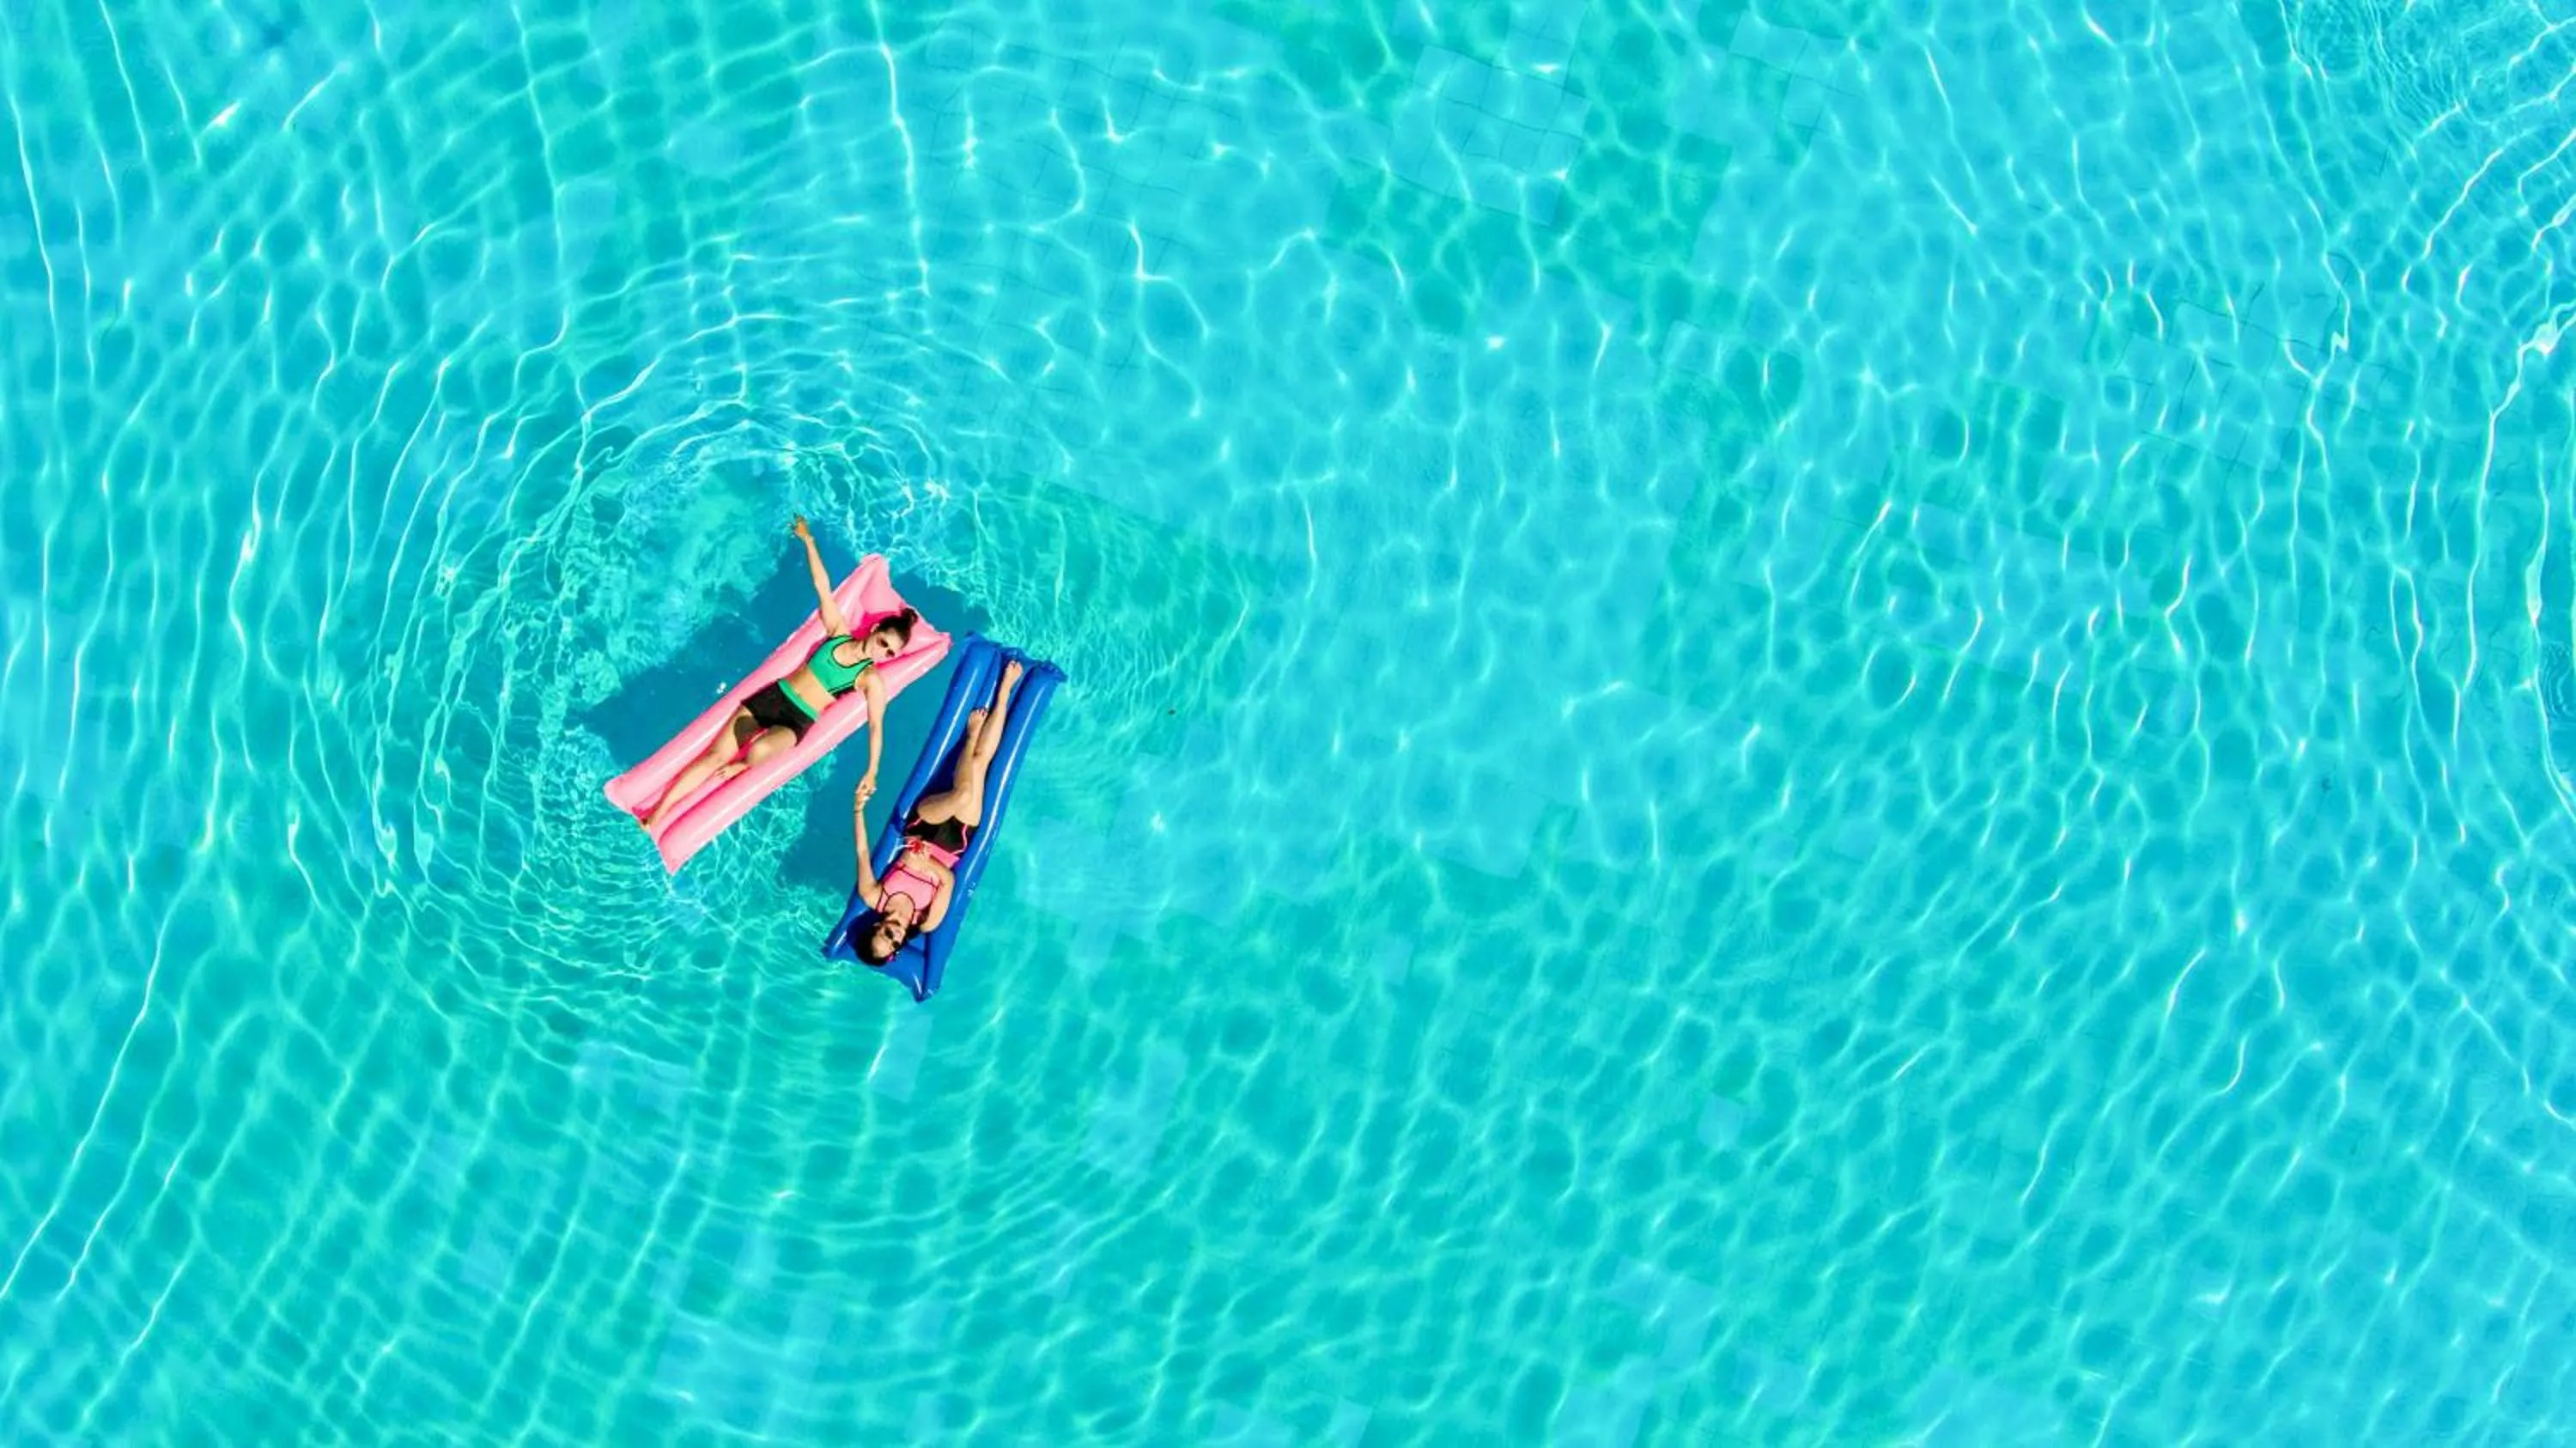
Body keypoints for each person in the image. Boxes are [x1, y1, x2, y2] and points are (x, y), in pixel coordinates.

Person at [638, 516, 917, 832]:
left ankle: (744, 765)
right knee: (714, 757)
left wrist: (872, 771)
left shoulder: (870, 679)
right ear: (876, 628)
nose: (883, 654)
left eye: (891, 654)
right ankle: (657, 815)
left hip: (797, 721)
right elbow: (823, 588)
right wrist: (808, 541)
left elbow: (877, 726)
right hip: (772, 698)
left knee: (758, 750)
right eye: (884, 643)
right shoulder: (838, 632)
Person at [849, 659, 1025, 964]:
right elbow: (948, 882)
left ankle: (971, 734)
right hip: (954, 844)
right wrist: (926, 864)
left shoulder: (873, 896)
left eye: (886, 933)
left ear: (876, 926)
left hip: (922, 826)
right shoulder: (926, 922)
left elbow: (863, 851)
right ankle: (1004, 691)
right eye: (896, 943)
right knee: (980, 765)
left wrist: (858, 809)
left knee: (962, 795)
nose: (895, 933)